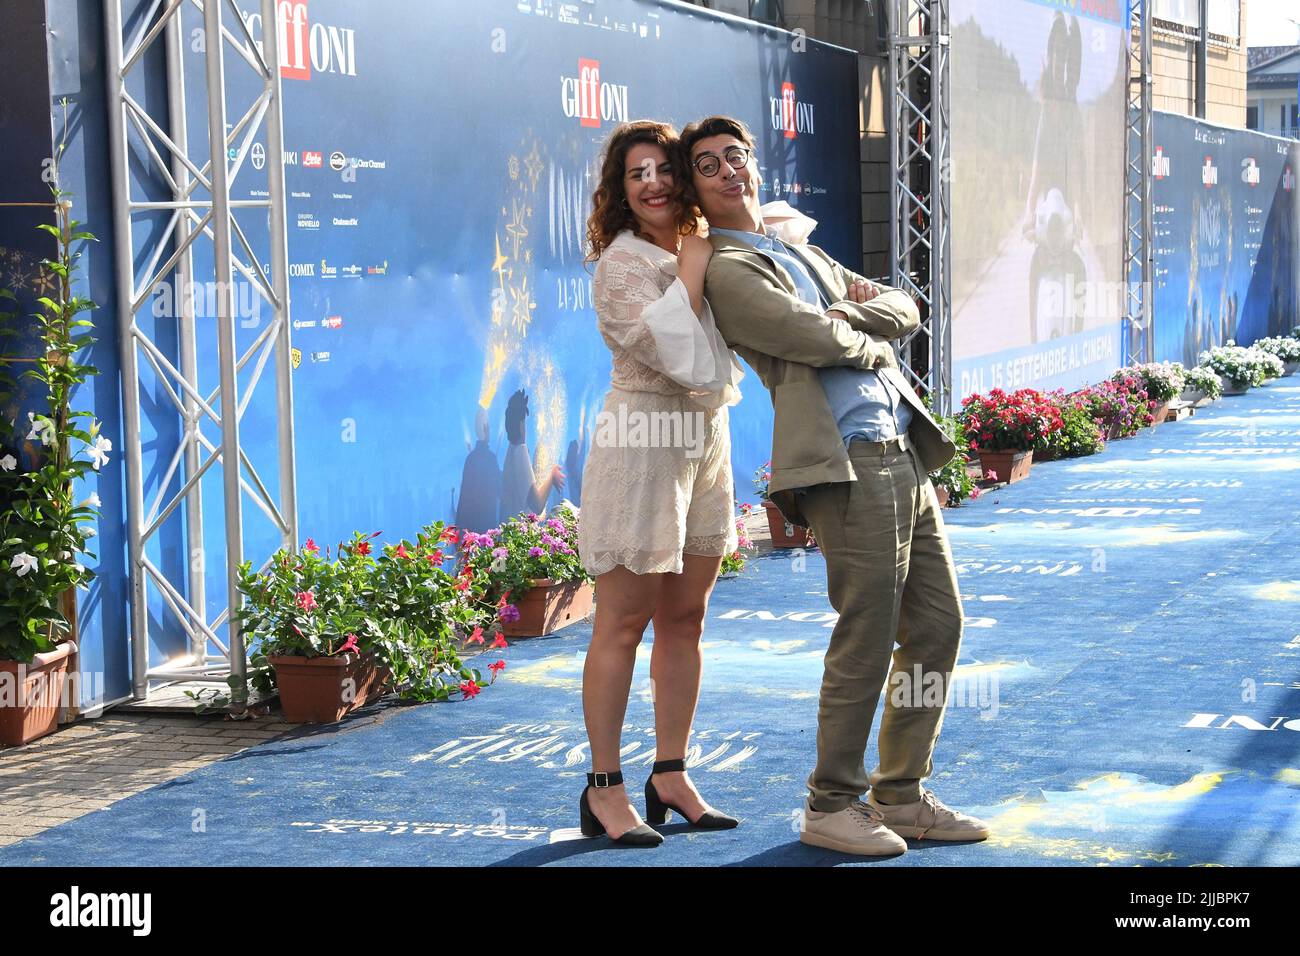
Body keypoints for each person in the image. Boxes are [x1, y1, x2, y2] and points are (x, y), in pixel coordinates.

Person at [682, 115, 990, 856]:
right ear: (694, 188)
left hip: (904, 454)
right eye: (707, 165)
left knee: (939, 626)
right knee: (868, 635)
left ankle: (902, 794)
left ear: (755, 166)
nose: (729, 171)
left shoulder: (799, 250)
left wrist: (852, 312)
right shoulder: (728, 268)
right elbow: (812, 340)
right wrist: (862, 334)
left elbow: (903, 306)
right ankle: (831, 803)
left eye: (737, 156)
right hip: (847, 464)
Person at [576, 120, 744, 847]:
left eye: (663, 169)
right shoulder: (622, 266)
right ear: (620, 191)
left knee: (687, 618)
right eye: (635, 173)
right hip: (643, 442)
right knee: (623, 621)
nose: (653, 183)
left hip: (704, 438)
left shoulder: (700, 246)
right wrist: (701, 258)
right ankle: (604, 787)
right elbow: (681, 351)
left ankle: (670, 772)